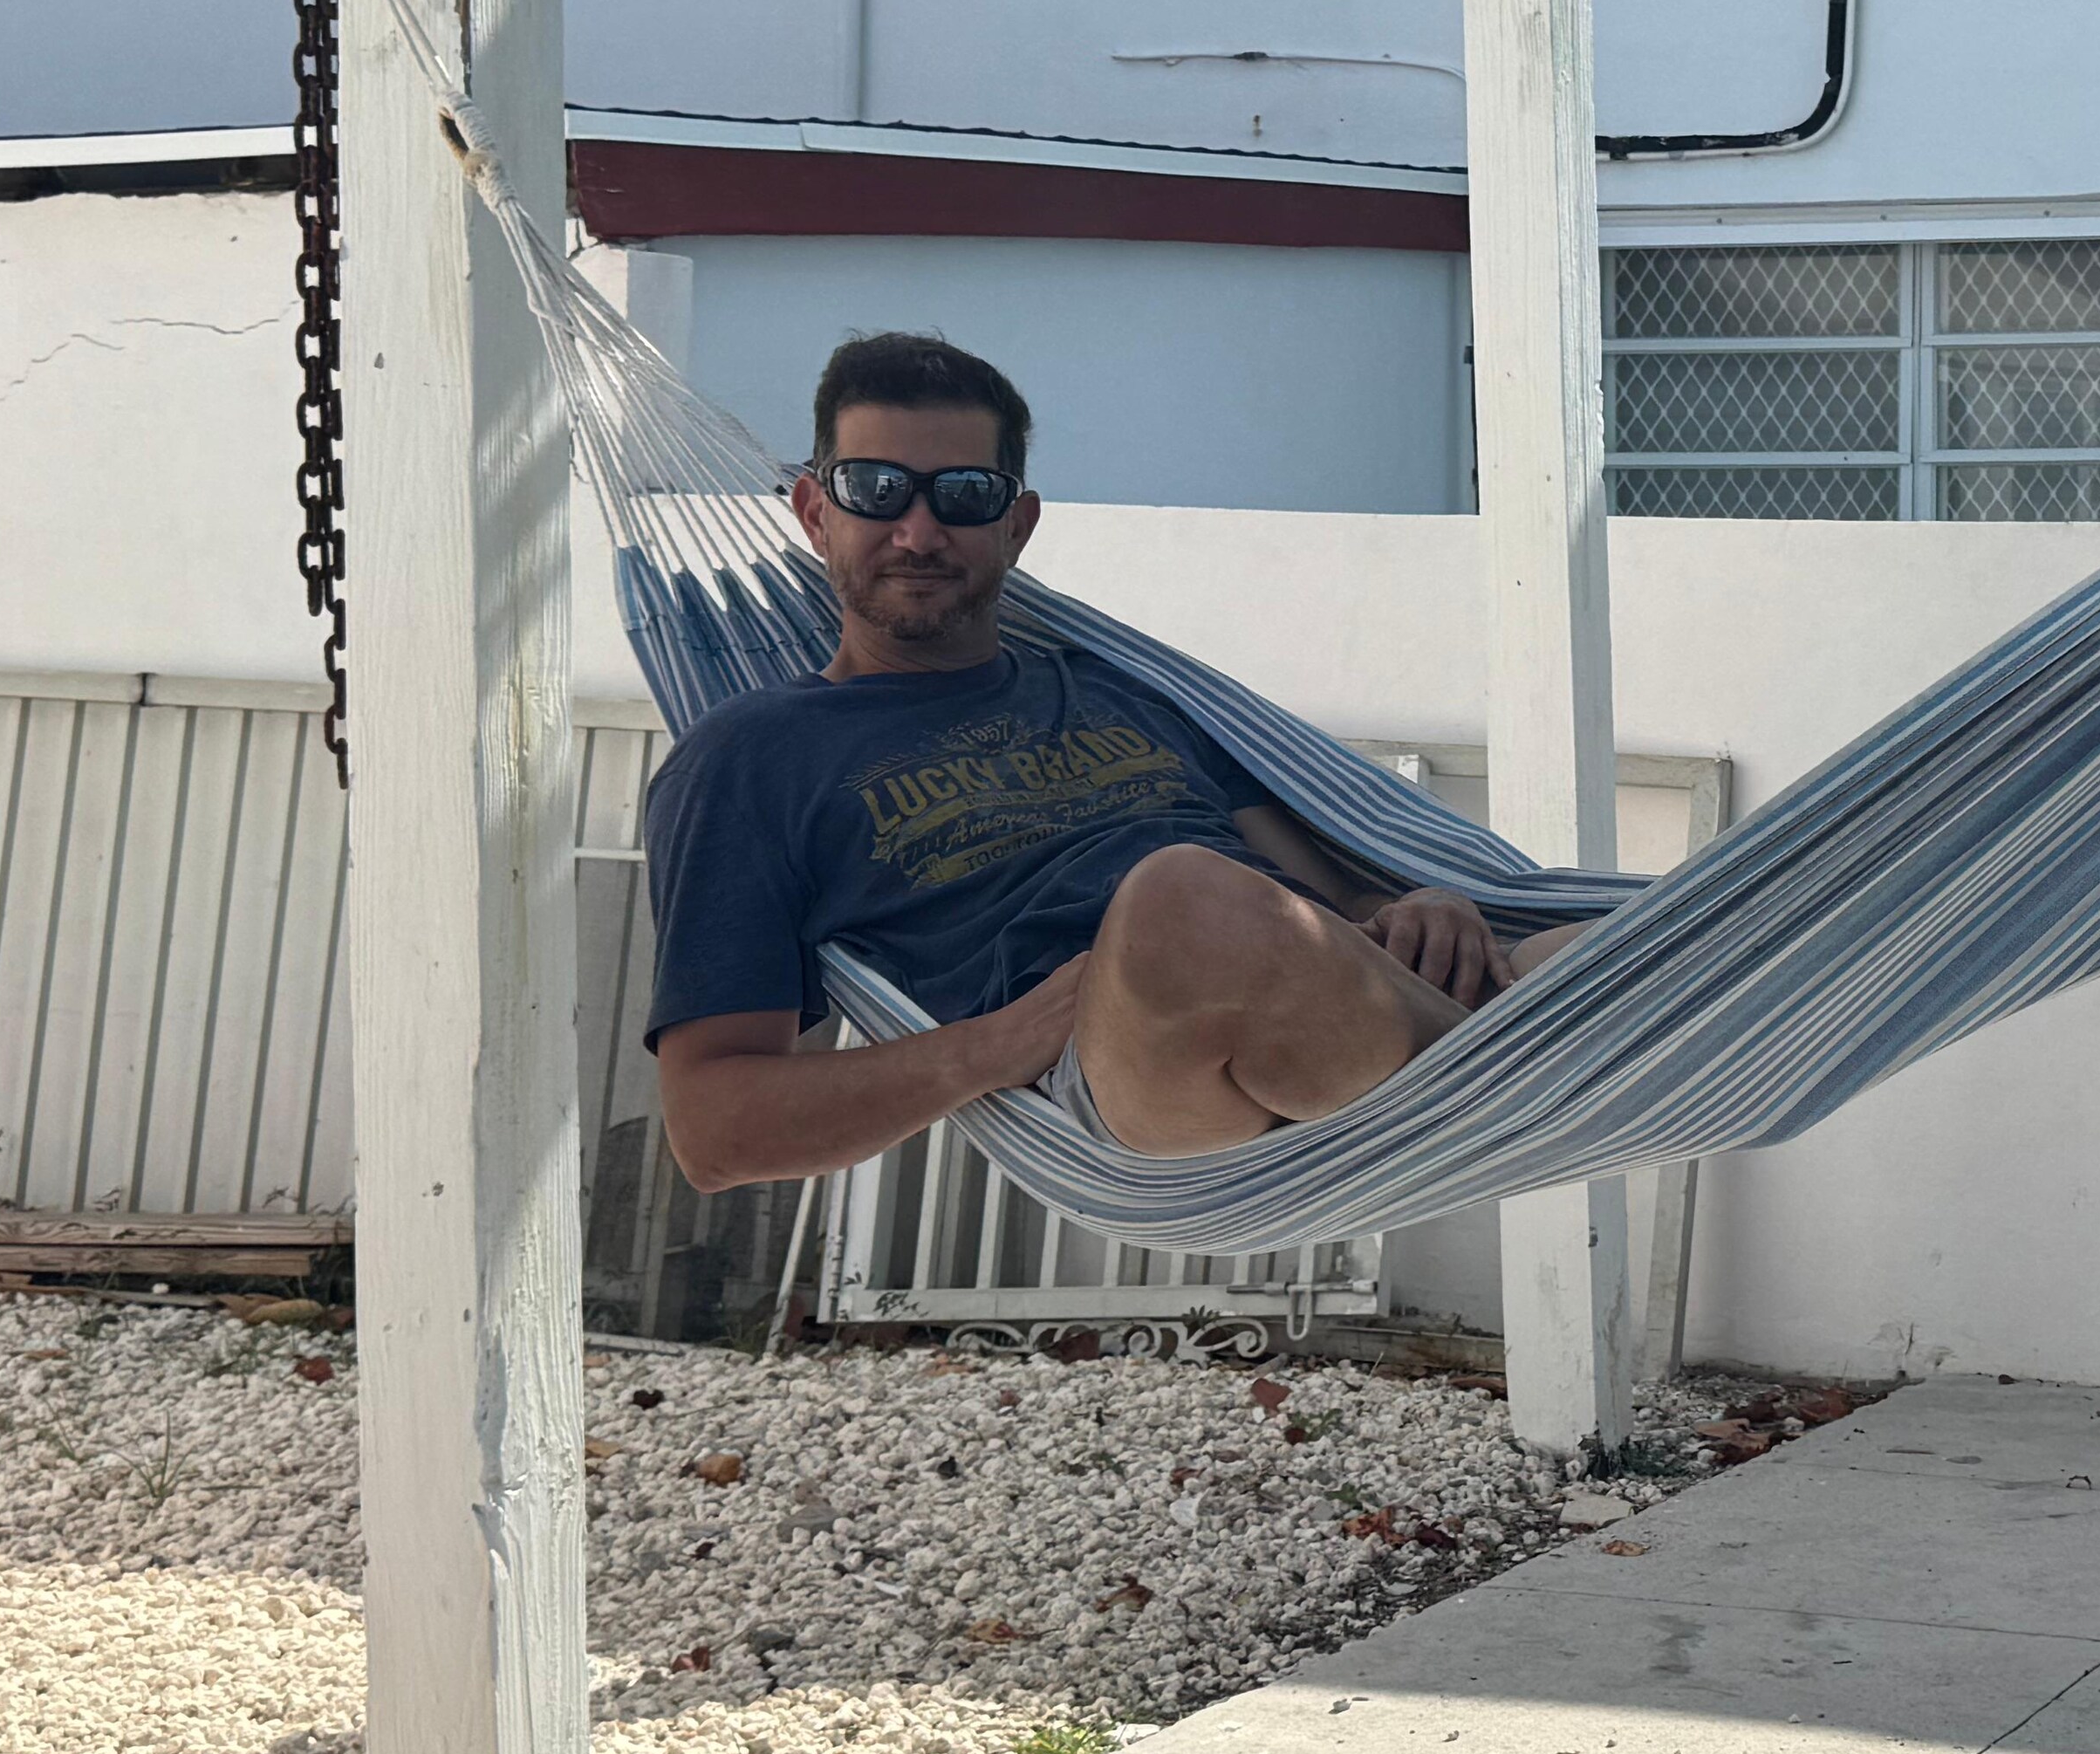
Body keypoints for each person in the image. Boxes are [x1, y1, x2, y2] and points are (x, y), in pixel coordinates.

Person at [645, 332, 1557, 1191]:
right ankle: (1513, 1076)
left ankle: (1519, 1058)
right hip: (1126, 1071)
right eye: (876, 489)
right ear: (815, 512)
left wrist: (1419, 907)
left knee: (1612, 951)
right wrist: (992, 1047)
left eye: (964, 494)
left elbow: (1332, 906)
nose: (917, 533)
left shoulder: (1127, 689)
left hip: (1326, 1013)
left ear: (1018, 526)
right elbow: (714, 1133)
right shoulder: (747, 758)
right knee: (1183, 898)